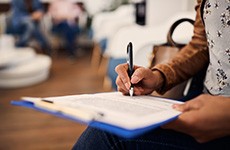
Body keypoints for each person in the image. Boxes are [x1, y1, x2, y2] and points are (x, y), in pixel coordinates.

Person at [72, 0, 230, 149]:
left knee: (107, 136)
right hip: (203, 99)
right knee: (110, 124)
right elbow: (201, 44)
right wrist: (159, 76)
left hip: (219, 119)